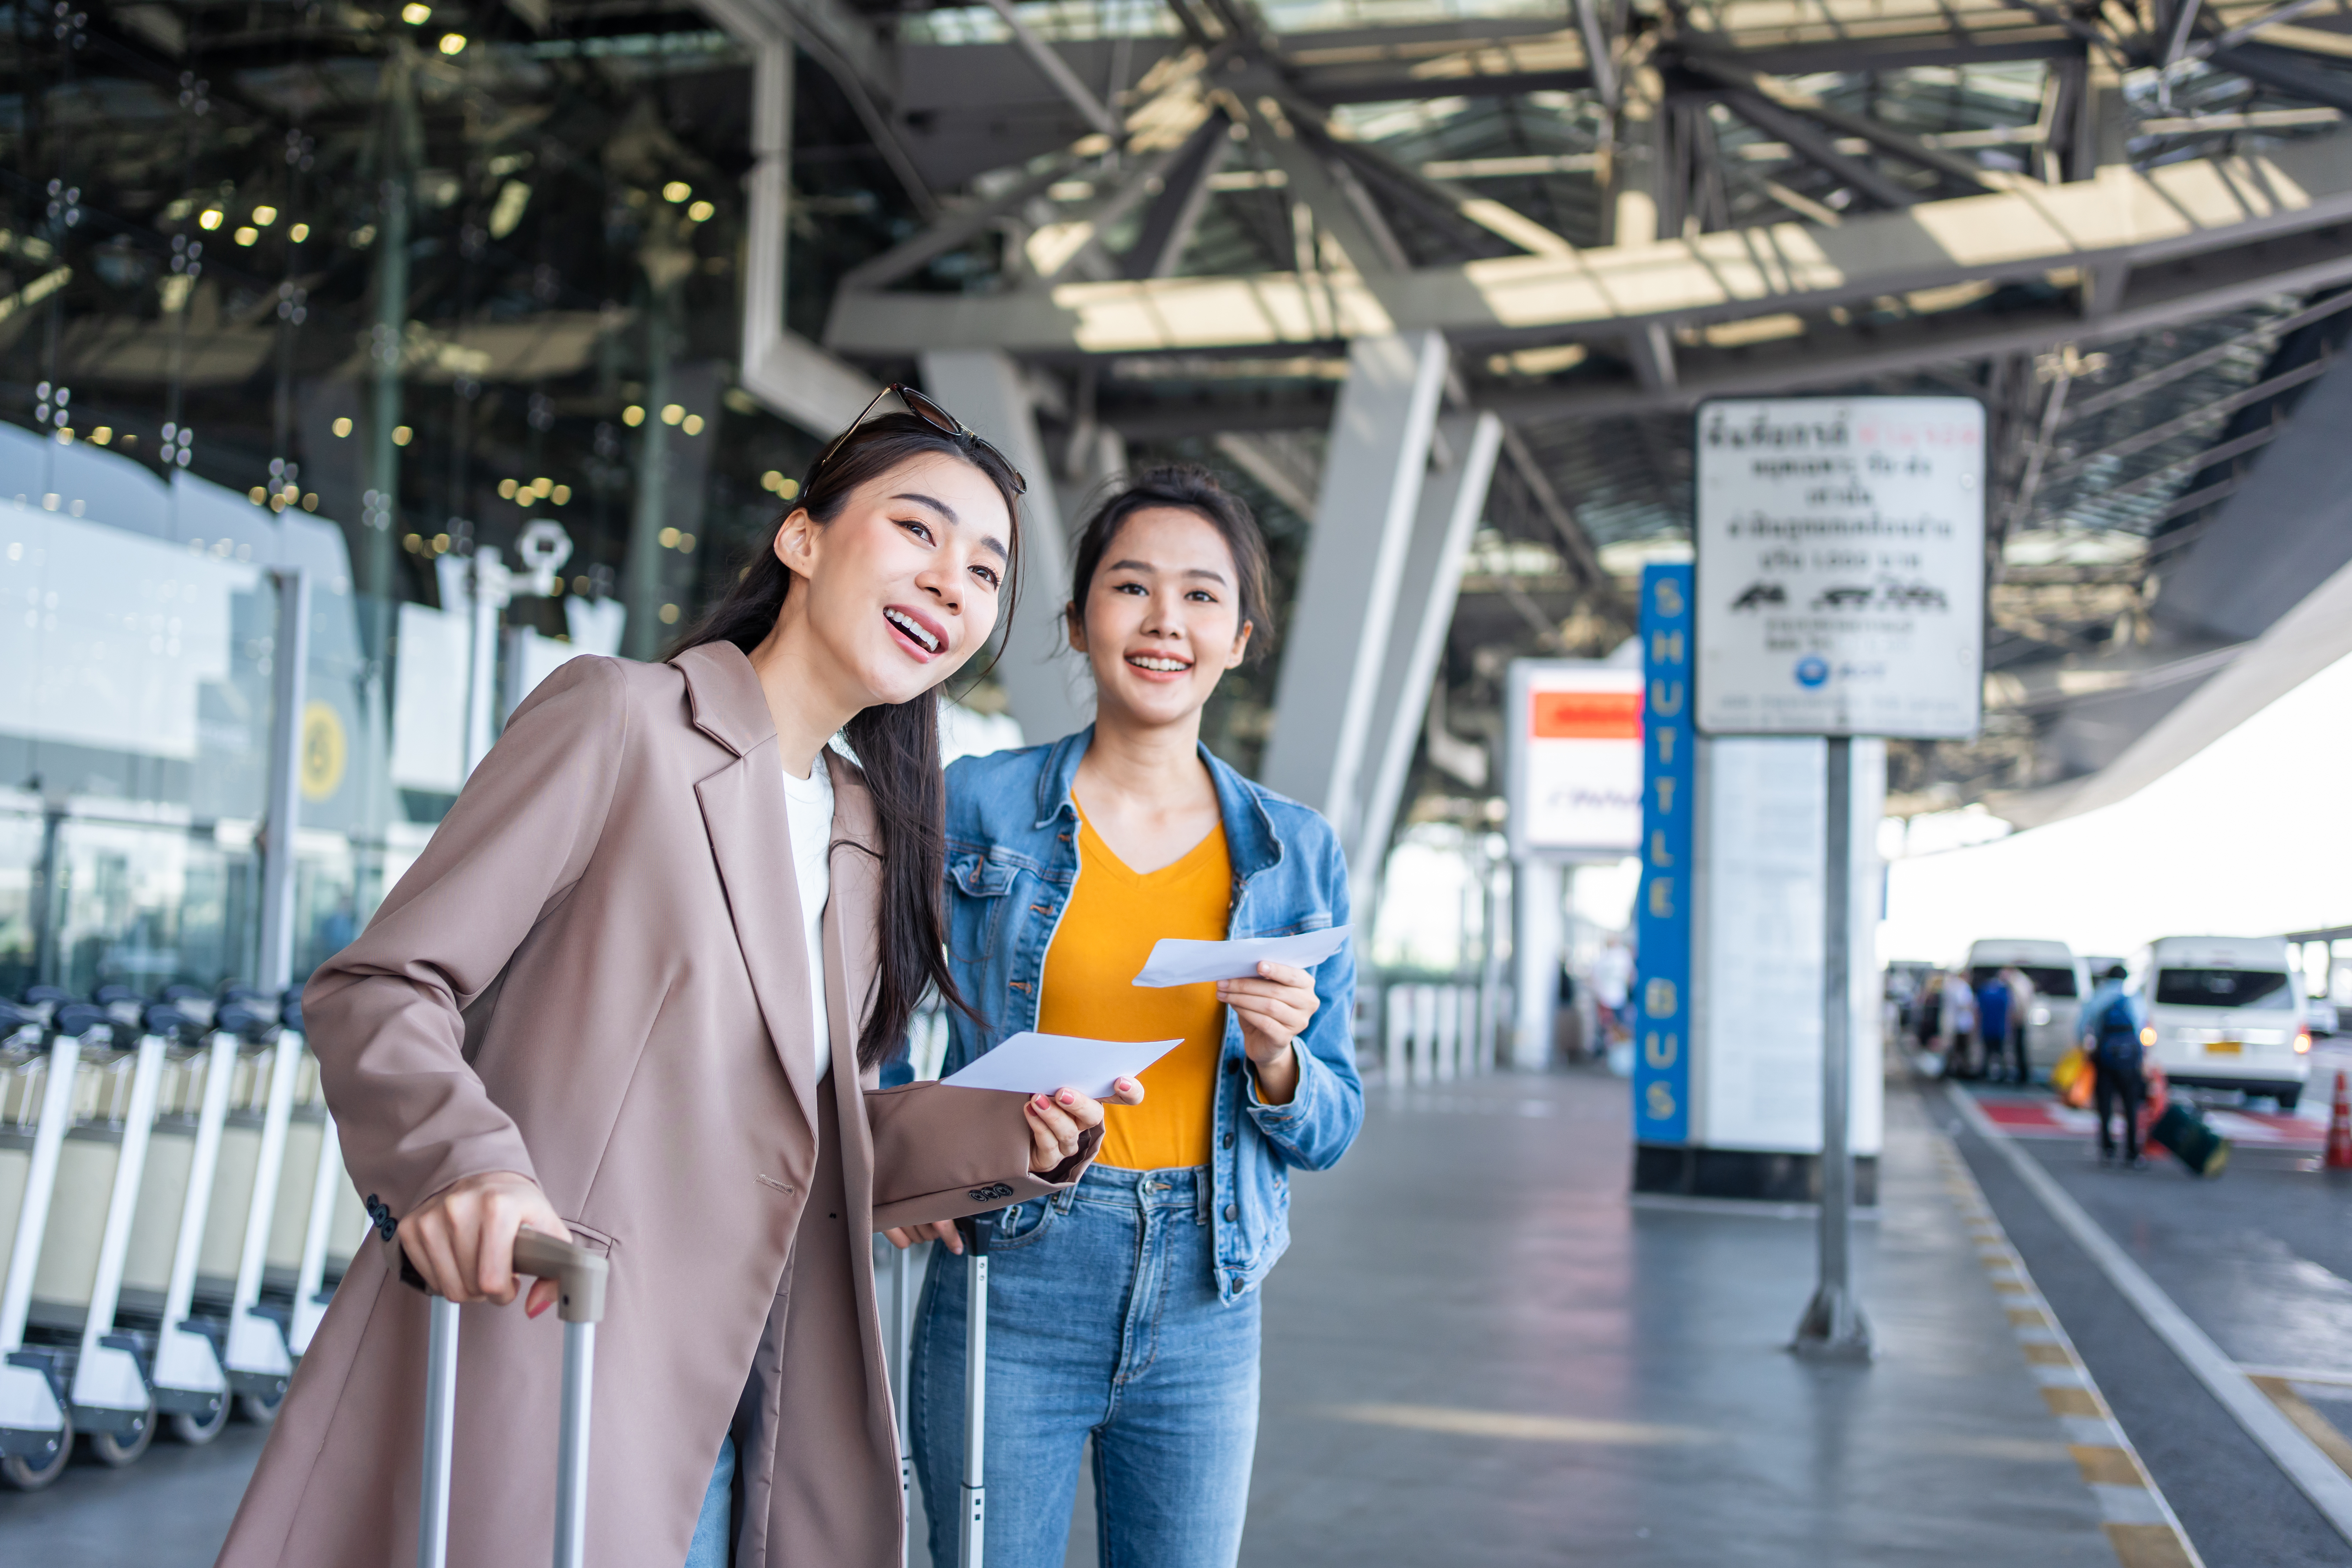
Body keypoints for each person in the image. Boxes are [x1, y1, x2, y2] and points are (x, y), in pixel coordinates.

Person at [217, 390, 1142, 1568]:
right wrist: (463, 1163)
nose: (953, 581)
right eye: (918, 530)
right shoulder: (625, 723)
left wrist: (1012, 1130)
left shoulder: (866, 829)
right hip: (564, 1362)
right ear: (801, 539)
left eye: (985, 570)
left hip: (757, 1416)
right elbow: (383, 984)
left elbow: (807, 1141)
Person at [895, 465, 1362, 1568]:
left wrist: (1277, 1055)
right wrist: (896, 1156)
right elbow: (859, 997)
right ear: (1076, 619)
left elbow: (1333, 1123)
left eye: (1201, 595)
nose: (1165, 622)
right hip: (1012, 1264)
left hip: (1209, 1283)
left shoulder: (1296, 850)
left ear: (1240, 636)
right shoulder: (975, 805)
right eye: (1131, 586)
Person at [2082, 962, 2148, 1167]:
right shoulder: (2134, 998)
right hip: (2129, 1060)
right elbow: (2142, 1028)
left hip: (2104, 1057)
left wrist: (2085, 1051)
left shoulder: (2097, 996)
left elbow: (2083, 1026)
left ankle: (2107, 1148)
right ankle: (2132, 1152)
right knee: (2130, 1105)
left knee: (2104, 1103)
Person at [1974, 968, 2015, 1084]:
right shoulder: (2004, 991)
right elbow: (2010, 1011)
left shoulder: (1986, 990)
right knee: (1999, 1052)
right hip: (1998, 1028)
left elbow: (1978, 1011)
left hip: (1988, 1027)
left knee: (1989, 1052)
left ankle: (1986, 1073)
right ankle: (2003, 1074)